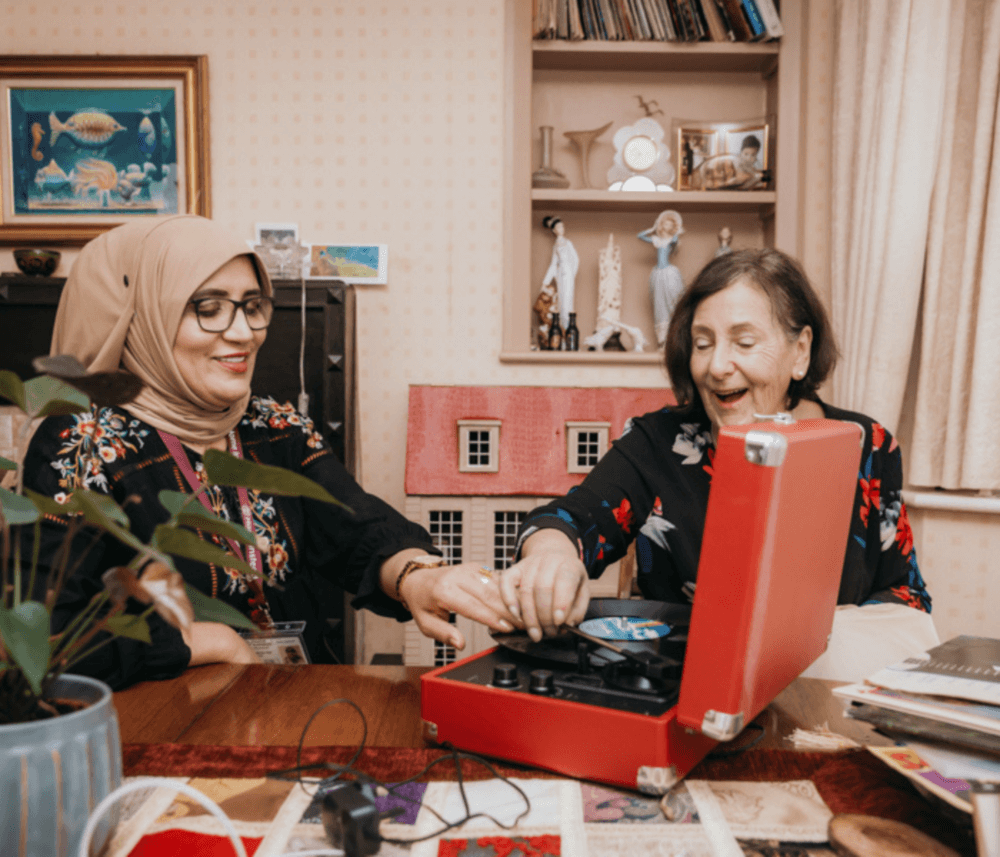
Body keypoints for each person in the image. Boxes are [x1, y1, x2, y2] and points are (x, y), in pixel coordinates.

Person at [23, 215, 516, 689]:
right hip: (159, 725)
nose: (244, 333)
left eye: (252, 305)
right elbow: (48, 638)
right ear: (141, 315)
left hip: (283, 699)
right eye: (208, 307)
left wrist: (416, 577)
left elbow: (353, 526)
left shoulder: (270, 425)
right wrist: (201, 641)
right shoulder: (79, 446)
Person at [500, 248, 931, 643]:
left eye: (744, 343)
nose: (717, 367)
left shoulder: (867, 446)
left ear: (800, 351)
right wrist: (551, 553)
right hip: (683, 688)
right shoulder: (656, 442)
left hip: (824, 692)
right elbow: (571, 519)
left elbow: (904, 594)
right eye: (703, 344)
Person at [638, 209, 685, 346]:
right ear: (661, 225)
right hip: (658, 274)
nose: (668, 227)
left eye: (671, 225)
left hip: (669, 274)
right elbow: (640, 236)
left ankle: (673, 334)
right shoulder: (657, 240)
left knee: (672, 302)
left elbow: (676, 239)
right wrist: (652, 228)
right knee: (659, 305)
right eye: (666, 224)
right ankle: (663, 339)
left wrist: (674, 232)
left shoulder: (672, 239)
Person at [541, 215, 579, 332]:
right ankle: (563, 331)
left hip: (568, 275)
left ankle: (568, 330)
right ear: (553, 230)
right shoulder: (556, 246)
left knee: (568, 302)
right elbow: (553, 264)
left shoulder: (568, 243)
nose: (561, 229)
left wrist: (571, 273)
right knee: (561, 303)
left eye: (562, 226)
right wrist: (545, 282)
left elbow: (576, 259)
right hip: (560, 276)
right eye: (558, 227)